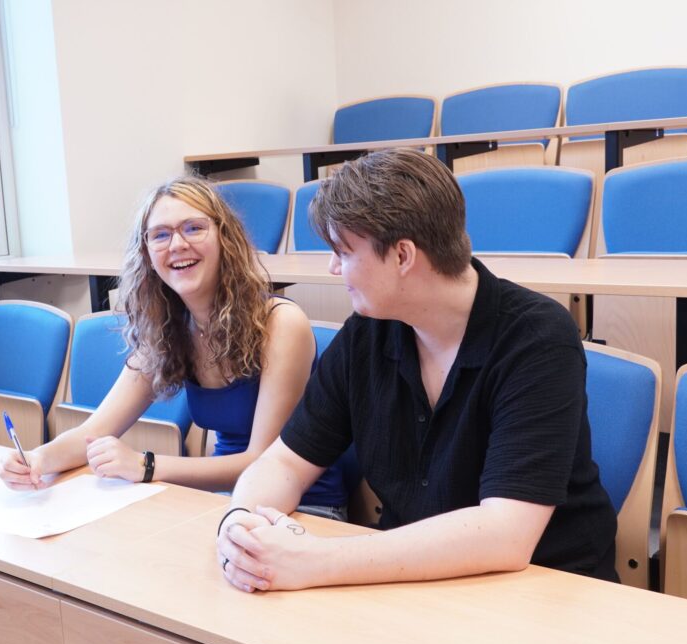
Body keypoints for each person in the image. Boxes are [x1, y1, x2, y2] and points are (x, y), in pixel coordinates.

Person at [215, 148, 618, 593]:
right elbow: (286, 463)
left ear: (403, 256)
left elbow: (506, 534)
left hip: (544, 588)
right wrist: (240, 526)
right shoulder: (365, 335)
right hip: (411, 577)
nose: (333, 267)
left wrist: (315, 560)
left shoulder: (537, 338)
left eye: (344, 252)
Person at [0, 176, 351, 519]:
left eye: (194, 228)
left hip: (305, 507)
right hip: (225, 500)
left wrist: (145, 465)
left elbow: (263, 462)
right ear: (147, 253)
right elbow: (95, 432)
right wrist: (35, 459)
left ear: (224, 237)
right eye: (160, 235)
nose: (177, 244)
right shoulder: (166, 330)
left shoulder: (281, 323)